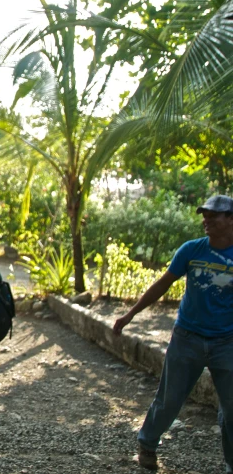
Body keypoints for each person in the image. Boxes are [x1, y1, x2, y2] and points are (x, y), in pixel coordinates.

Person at [113, 194, 233, 473]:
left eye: (213, 216)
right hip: (187, 337)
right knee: (169, 399)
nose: (206, 220)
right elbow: (162, 284)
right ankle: (147, 444)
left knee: (231, 407)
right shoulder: (191, 250)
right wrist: (131, 313)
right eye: (204, 215)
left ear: (231, 219)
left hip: (227, 342)